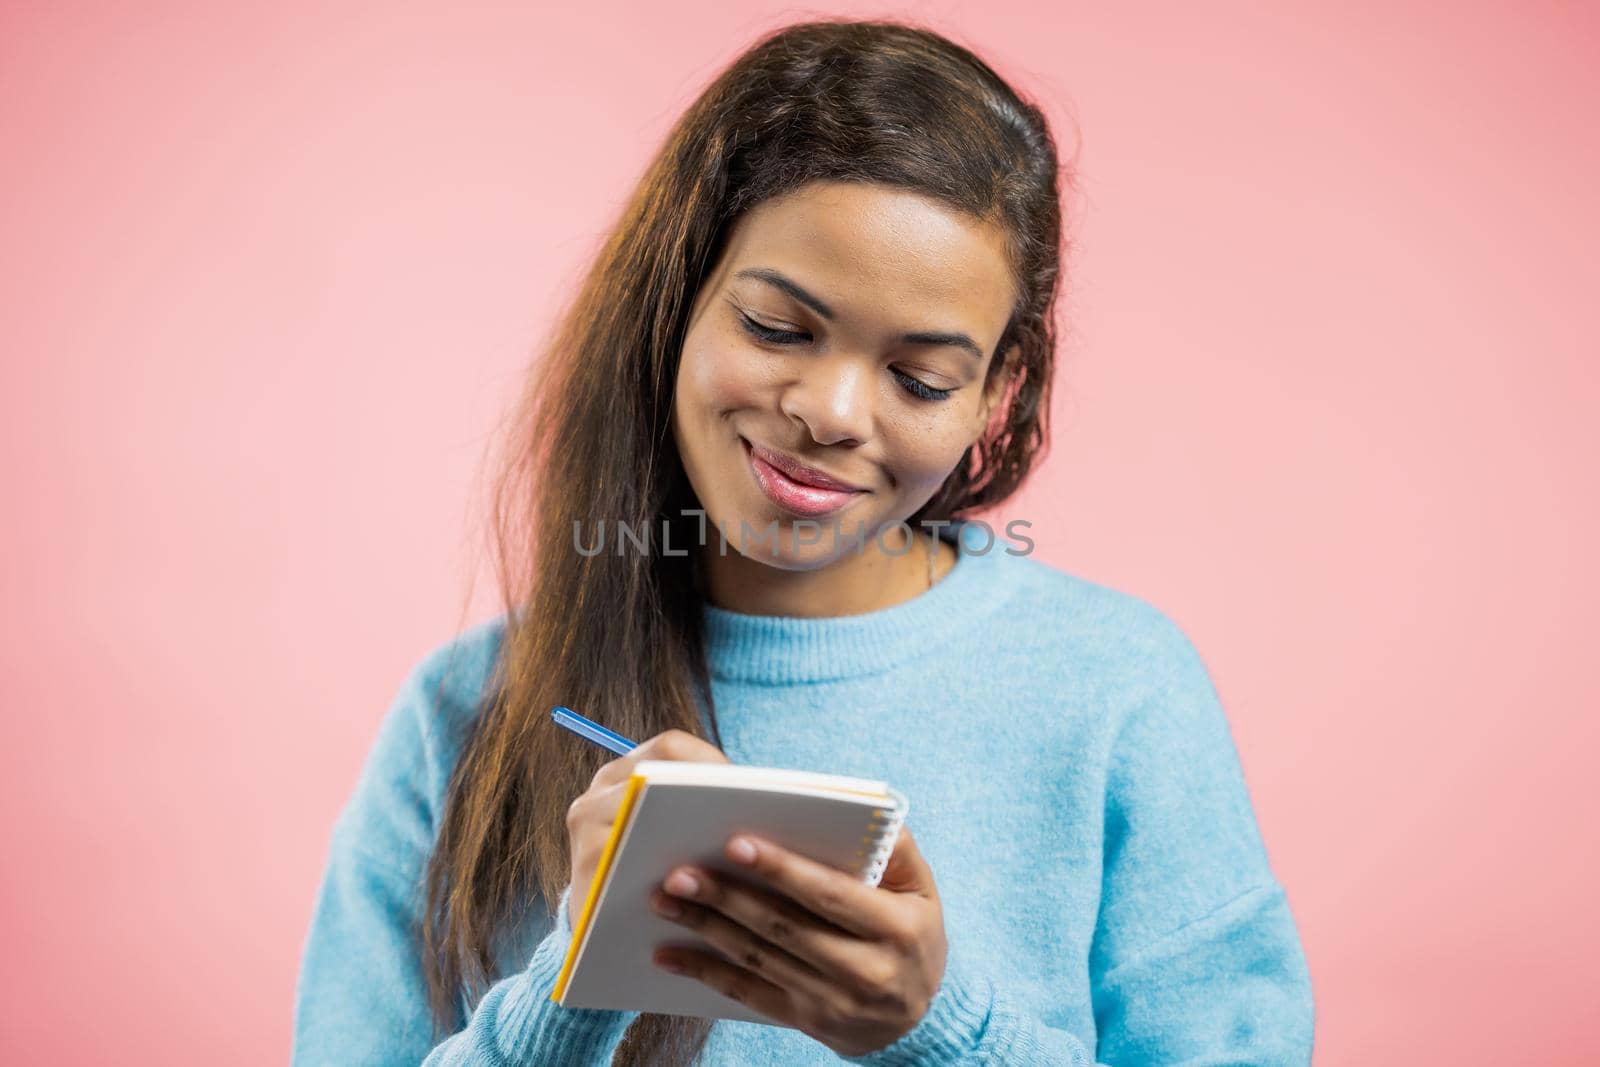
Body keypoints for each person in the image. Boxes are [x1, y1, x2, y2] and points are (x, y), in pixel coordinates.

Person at [291, 17, 1315, 1066]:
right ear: (675, 297)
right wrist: (571, 986)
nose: (829, 410)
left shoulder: (1117, 689)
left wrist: (938, 1032)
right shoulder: (466, 714)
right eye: (779, 328)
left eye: (919, 378)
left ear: (995, 396)